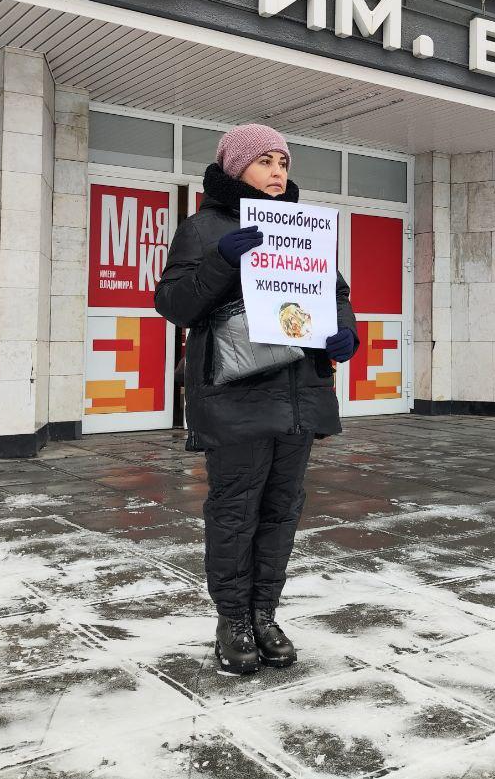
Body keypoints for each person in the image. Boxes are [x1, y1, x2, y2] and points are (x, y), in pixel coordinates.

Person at [155, 124, 359, 676]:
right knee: (235, 511)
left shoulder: (301, 227)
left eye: (283, 162)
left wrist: (345, 330)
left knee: (281, 512)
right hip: (237, 397)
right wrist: (222, 259)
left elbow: (334, 292)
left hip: (299, 395)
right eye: (264, 161)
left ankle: (265, 615)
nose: (277, 172)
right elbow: (174, 304)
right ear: (235, 167)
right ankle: (233, 620)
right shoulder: (203, 228)